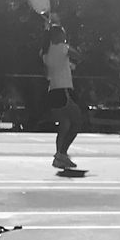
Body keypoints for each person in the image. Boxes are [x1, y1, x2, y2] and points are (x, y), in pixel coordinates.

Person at [39, 21, 83, 170]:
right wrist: (67, 45)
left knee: (64, 124)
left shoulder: (45, 53)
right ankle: (61, 154)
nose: (65, 36)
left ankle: (59, 157)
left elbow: (47, 73)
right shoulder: (62, 48)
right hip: (63, 91)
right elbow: (78, 55)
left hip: (52, 92)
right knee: (77, 122)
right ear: (58, 36)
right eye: (63, 33)